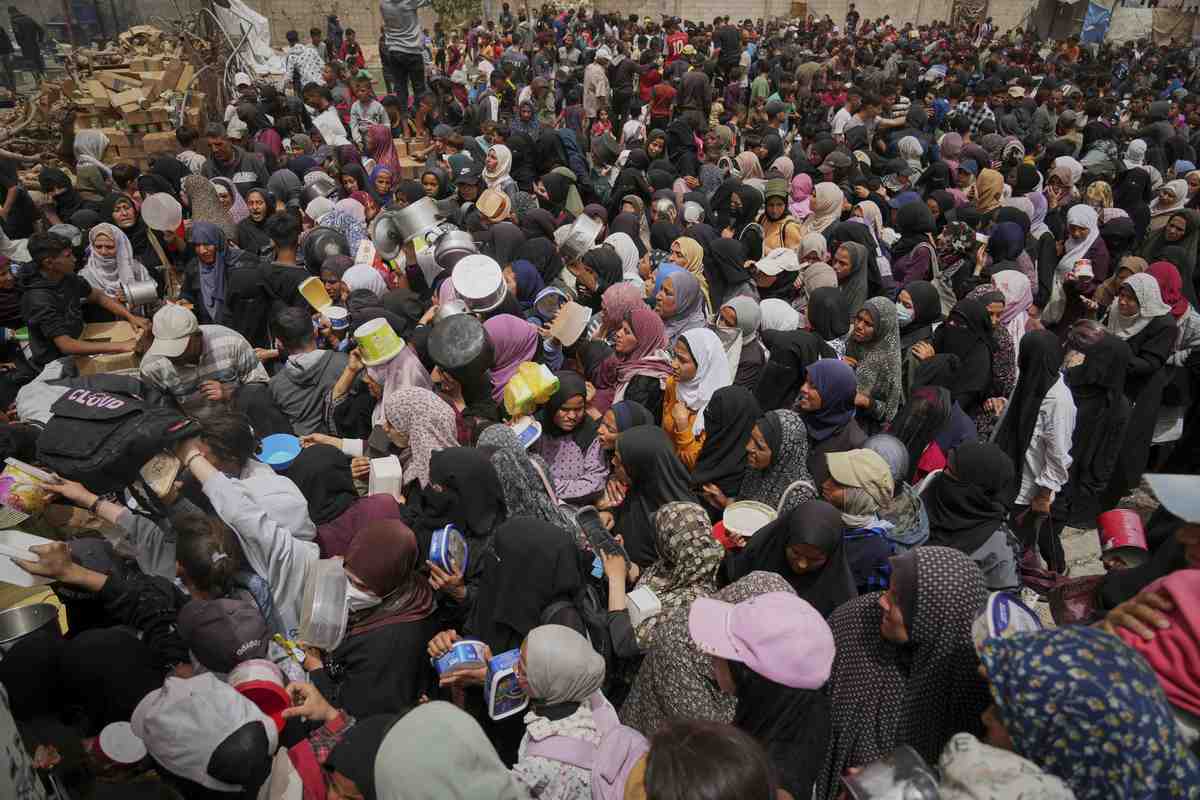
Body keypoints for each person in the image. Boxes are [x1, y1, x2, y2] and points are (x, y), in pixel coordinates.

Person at [817, 546, 990, 800]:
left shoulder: (971, 688)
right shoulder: (854, 623)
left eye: (897, 600)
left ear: (934, 617)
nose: (882, 601)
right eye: (888, 589)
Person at [993, 330, 1076, 572]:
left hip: (1027, 488)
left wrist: (1044, 494)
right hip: (1006, 475)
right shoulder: (1029, 379)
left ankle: (1044, 573)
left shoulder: (1058, 401)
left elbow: (1059, 454)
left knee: (1018, 542)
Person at [604, 501, 725, 657]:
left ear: (670, 545)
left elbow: (624, 644)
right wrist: (624, 562)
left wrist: (616, 579)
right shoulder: (685, 559)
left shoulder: (690, 606)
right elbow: (654, 579)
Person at [19, 232, 148, 369]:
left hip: (80, 341)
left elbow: (98, 296)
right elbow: (66, 345)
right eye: (68, 256)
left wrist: (130, 317)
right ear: (49, 263)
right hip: (56, 363)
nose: (74, 259)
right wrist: (121, 346)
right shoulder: (38, 299)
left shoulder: (67, 277)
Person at [718, 499, 857, 618]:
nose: (802, 564)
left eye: (814, 560)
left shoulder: (841, 600)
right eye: (795, 553)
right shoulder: (758, 553)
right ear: (784, 540)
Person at [923, 441, 1019, 590]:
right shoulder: (928, 493)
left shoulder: (999, 546)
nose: (944, 474)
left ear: (977, 490)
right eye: (946, 468)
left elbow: (1001, 598)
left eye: (952, 474)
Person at [609, 425, 698, 567]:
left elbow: (680, 573)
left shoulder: (681, 522)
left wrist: (633, 572)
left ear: (639, 465)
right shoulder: (639, 488)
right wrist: (610, 515)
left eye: (619, 460)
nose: (613, 462)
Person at [268, 307, 349, 435]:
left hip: (303, 443)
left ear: (279, 343)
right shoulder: (345, 365)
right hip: (341, 442)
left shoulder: (275, 385)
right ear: (315, 332)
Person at [662, 328, 732, 469]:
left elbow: (698, 464)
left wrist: (682, 425)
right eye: (674, 356)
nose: (674, 364)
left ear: (703, 364)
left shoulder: (719, 405)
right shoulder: (673, 384)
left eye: (682, 360)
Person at [535, 371, 608, 504]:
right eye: (564, 409)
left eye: (578, 409)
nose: (572, 416)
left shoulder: (590, 433)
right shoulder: (535, 429)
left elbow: (596, 480)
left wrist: (547, 487)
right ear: (552, 406)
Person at [846, 296, 903, 433]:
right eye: (859, 318)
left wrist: (867, 402)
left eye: (868, 324)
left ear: (881, 328)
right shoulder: (853, 340)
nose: (859, 326)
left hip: (859, 427)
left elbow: (889, 413)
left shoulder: (888, 362)